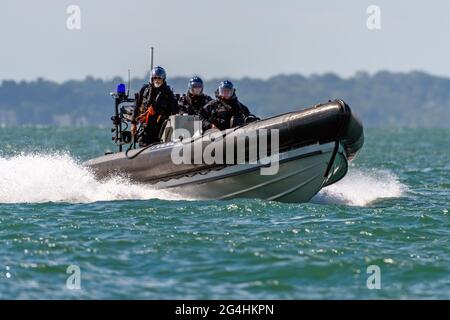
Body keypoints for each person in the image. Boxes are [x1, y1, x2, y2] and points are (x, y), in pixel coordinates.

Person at [131, 66, 178, 146]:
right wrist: (133, 123)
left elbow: (174, 111)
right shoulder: (145, 90)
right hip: (145, 128)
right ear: (152, 79)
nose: (157, 80)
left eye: (159, 78)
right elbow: (137, 105)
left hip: (160, 129)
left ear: (163, 79)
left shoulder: (168, 93)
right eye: (155, 78)